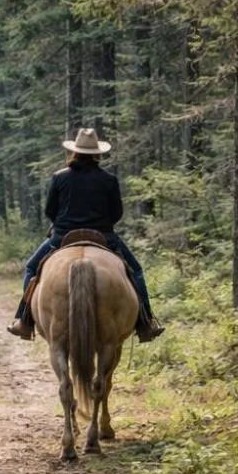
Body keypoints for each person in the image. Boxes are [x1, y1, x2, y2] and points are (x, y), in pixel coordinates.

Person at [9, 127, 164, 342]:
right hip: (104, 237)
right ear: (97, 154)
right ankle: (146, 323)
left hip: (62, 236)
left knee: (31, 268)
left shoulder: (60, 178)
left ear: (75, 152)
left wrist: (63, 224)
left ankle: (24, 320)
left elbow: (49, 211)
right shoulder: (109, 179)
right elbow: (117, 213)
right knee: (135, 270)